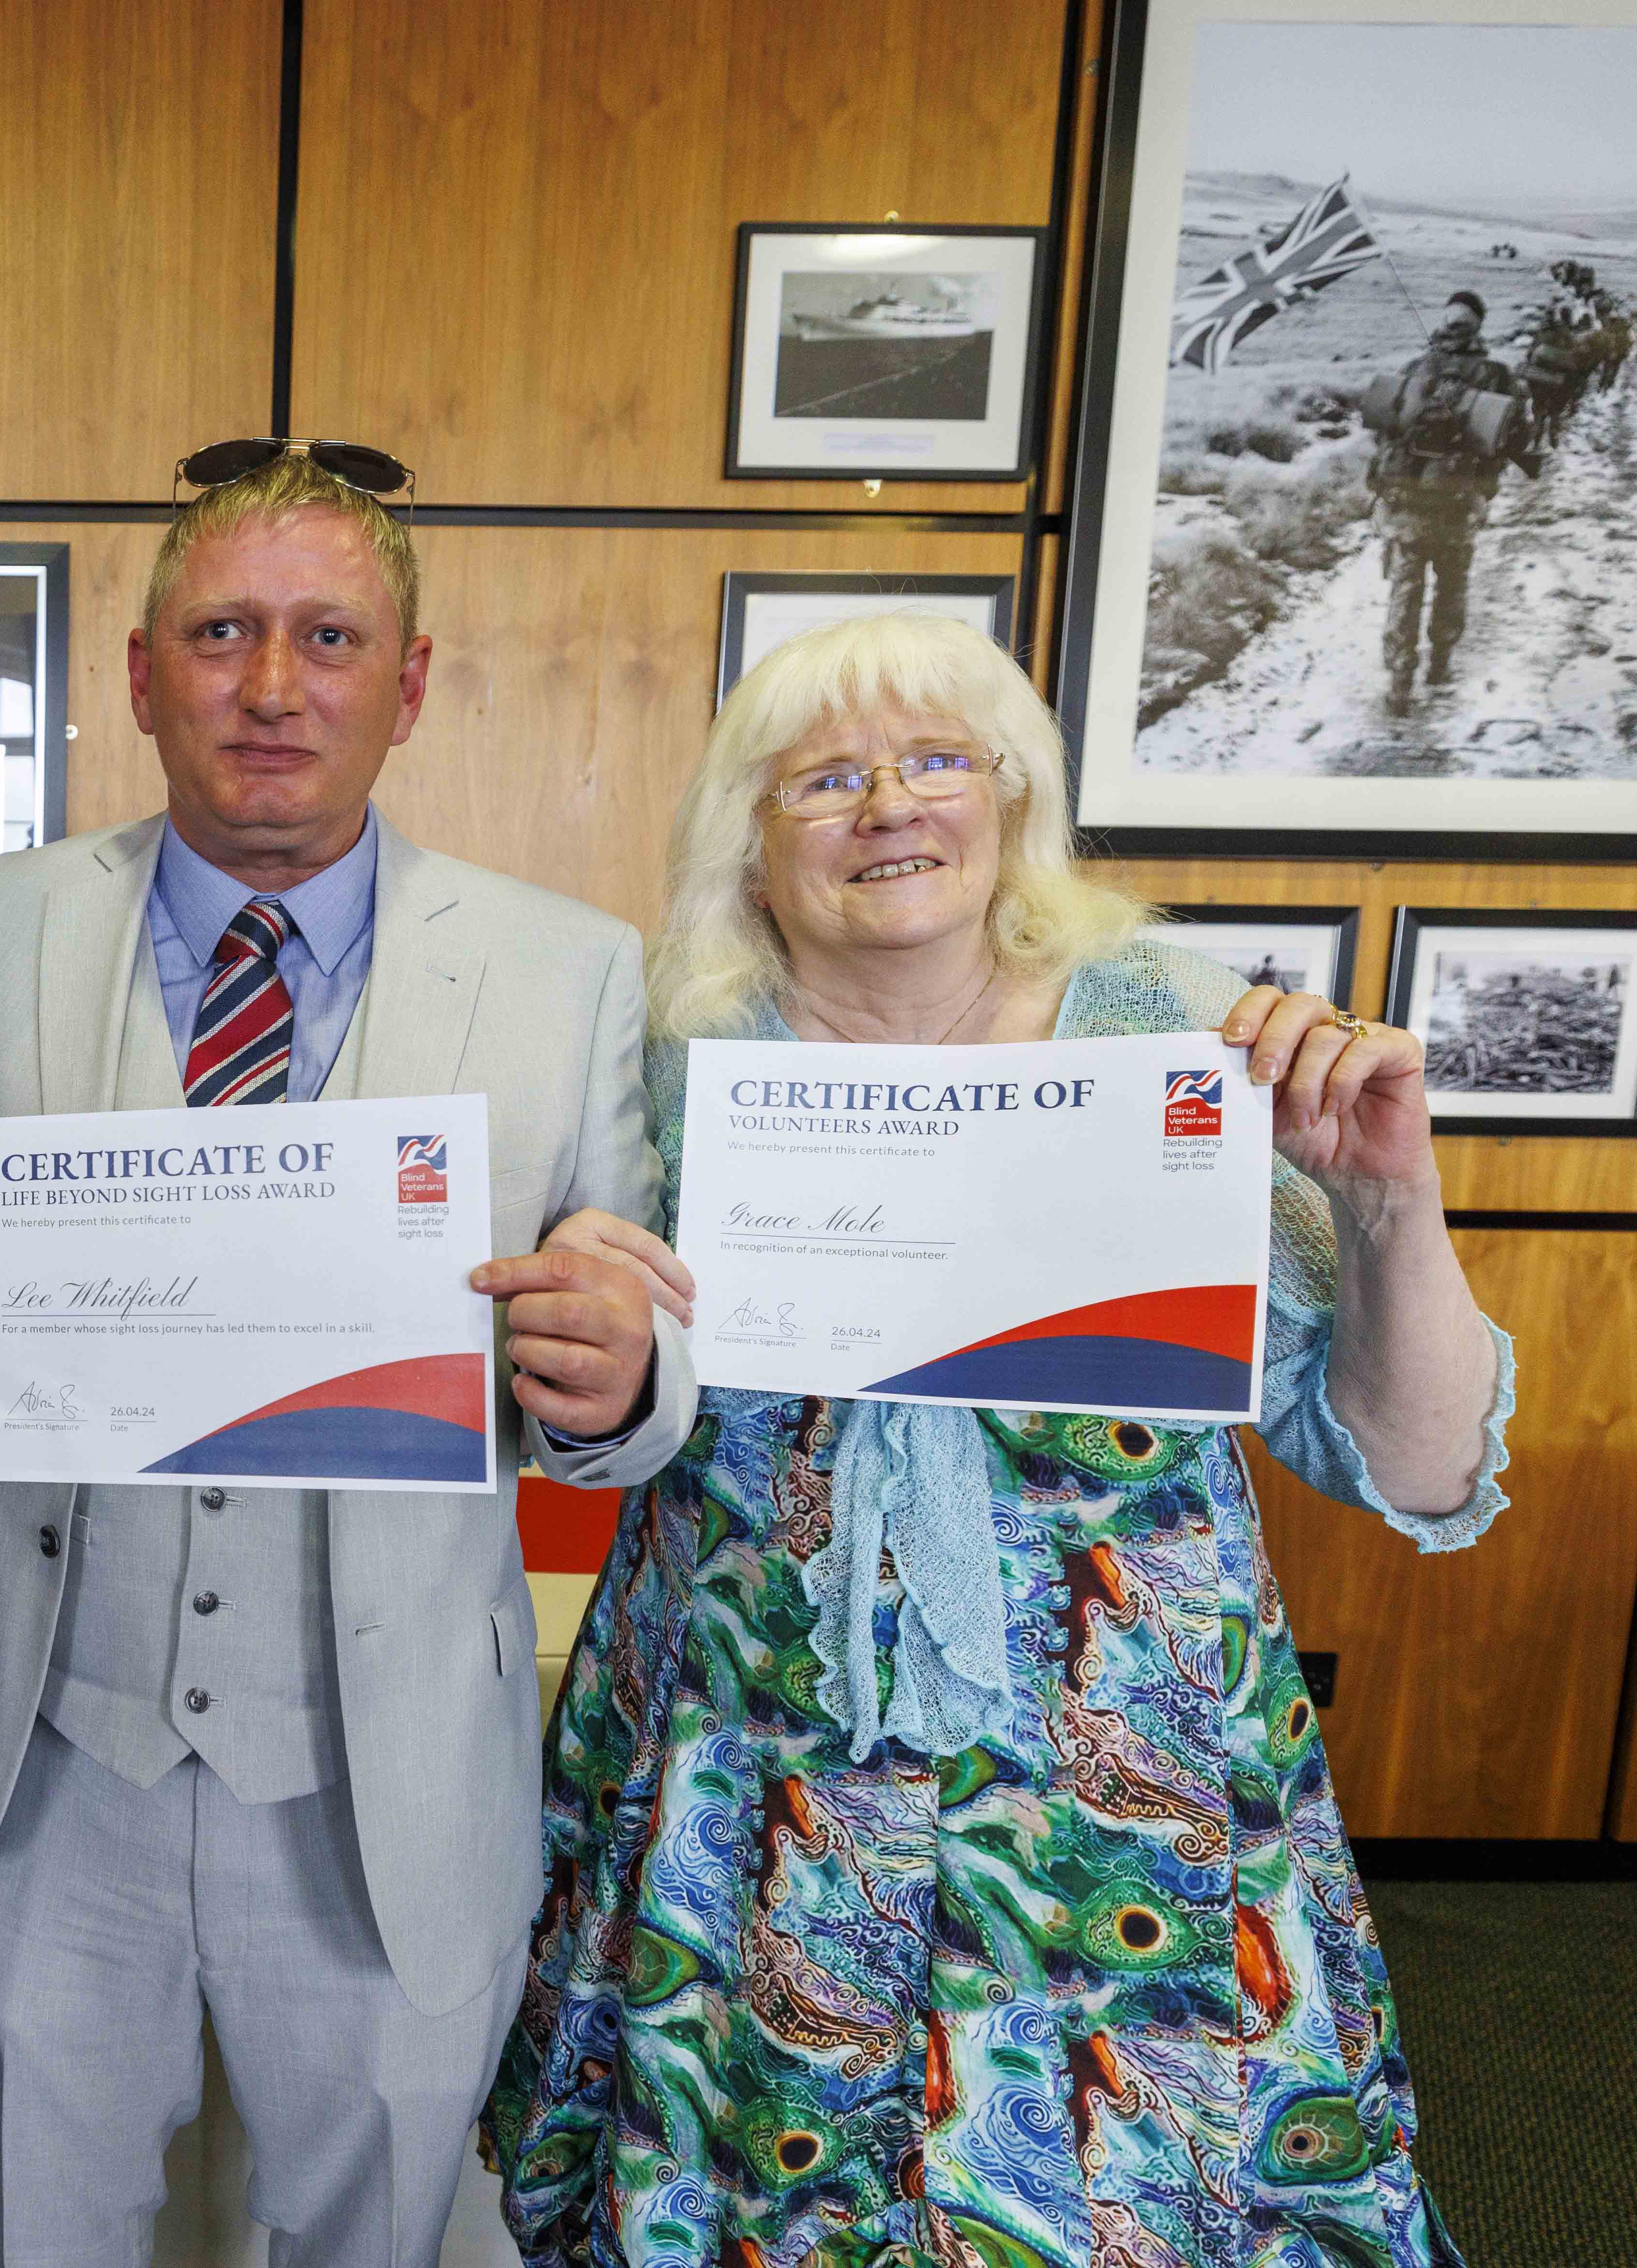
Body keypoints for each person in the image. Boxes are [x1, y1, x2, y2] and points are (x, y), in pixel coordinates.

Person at [484, 612, 1512, 2268]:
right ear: (746, 837)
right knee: (753, 2197)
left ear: (1012, 796)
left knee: (1139, 2200)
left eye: (934, 759)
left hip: (1129, 1785)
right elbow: (579, 1403)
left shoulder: (1182, 1032)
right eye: (822, 777)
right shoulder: (663, 1068)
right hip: (753, 1775)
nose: (888, 804)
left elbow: (1417, 1462)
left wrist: (1388, 1199)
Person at [0, 442, 694, 2266]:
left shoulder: (568, 969)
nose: (270, 685)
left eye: (328, 636)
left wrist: (617, 1376)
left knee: (369, 2237)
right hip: (52, 1752)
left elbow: (632, 1374)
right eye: (220, 631)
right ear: (140, 671)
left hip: (388, 1768)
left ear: (409, 682)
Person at [1369, 288, 1530, 706]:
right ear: (1478, 326)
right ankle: (1440, 662)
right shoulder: (1497, 375)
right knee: (1452, 583)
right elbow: (1516, 438)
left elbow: (1383, 432)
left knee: (1406, 586)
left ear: (1444, 323)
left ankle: (1400, 678)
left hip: (1408, 498)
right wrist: (1485, 489)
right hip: (1458, 502)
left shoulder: (1413, 368)